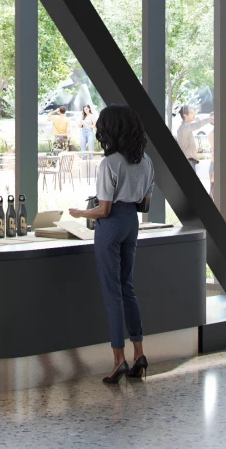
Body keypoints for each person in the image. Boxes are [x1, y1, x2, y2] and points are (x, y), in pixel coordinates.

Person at [66, 104, 154, 383]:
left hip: (111, 225)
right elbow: (144, 203)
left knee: (112, 293)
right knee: (128, 289)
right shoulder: (146, 161)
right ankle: (139, 353)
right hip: (132, 224)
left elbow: (103, 210)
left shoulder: (110, 163)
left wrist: (79, 213)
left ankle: (118, 361)